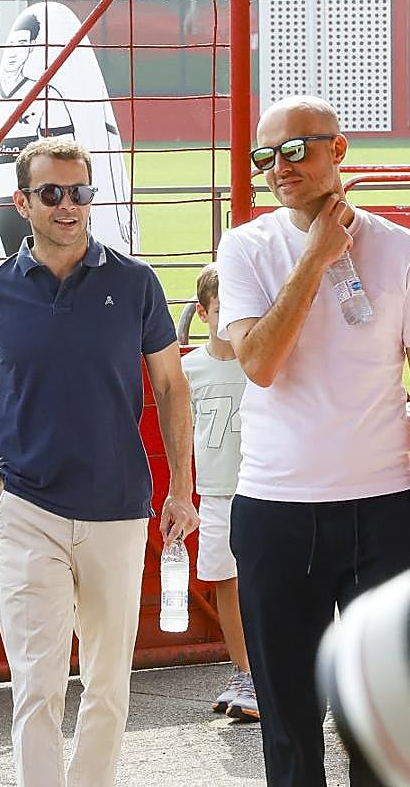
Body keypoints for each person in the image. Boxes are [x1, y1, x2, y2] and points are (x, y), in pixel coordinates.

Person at [216, 95, 410, 787]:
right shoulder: (246, 248)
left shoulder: (402, 249)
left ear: (337, 151)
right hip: (274, 512)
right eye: (266, 156)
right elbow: (259, 362)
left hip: (385, 510)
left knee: (384, 718)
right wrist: (316, 258)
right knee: (289, 723)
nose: (279, 167)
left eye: (296, 149)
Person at [0, 136, 198, 787]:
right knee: (36, 686)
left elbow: (172, 387)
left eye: (80, 193)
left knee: (109, 685)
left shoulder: (136, 283)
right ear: (22, 201)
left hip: (119, 512)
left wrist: (182, 490)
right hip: (27, 511)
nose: (68, 206)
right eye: (52, 193)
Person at [181, 262, 257, 722]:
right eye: (221, 308)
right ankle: (244, 672)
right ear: (204, 314)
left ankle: (271, 676)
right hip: (215, 494)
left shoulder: (262, 359)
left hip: (264, 490)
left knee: (269, 584)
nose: (230, 318)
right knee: (226, 582)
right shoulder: (188, 368)